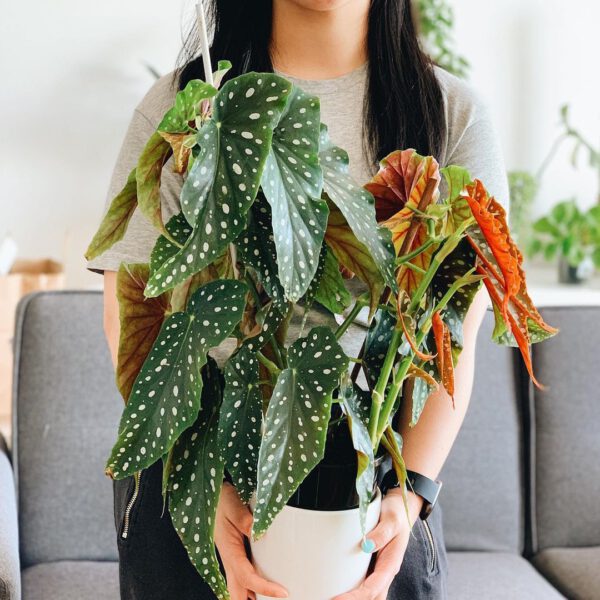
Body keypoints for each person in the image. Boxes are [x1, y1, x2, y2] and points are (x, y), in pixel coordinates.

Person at [86, 1, 510, 598]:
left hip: (372, 496)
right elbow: (132, 316)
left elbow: (450, 345)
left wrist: (408, 497)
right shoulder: (189, 106)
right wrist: (209, 494)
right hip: (196, 475)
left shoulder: (450, 116)